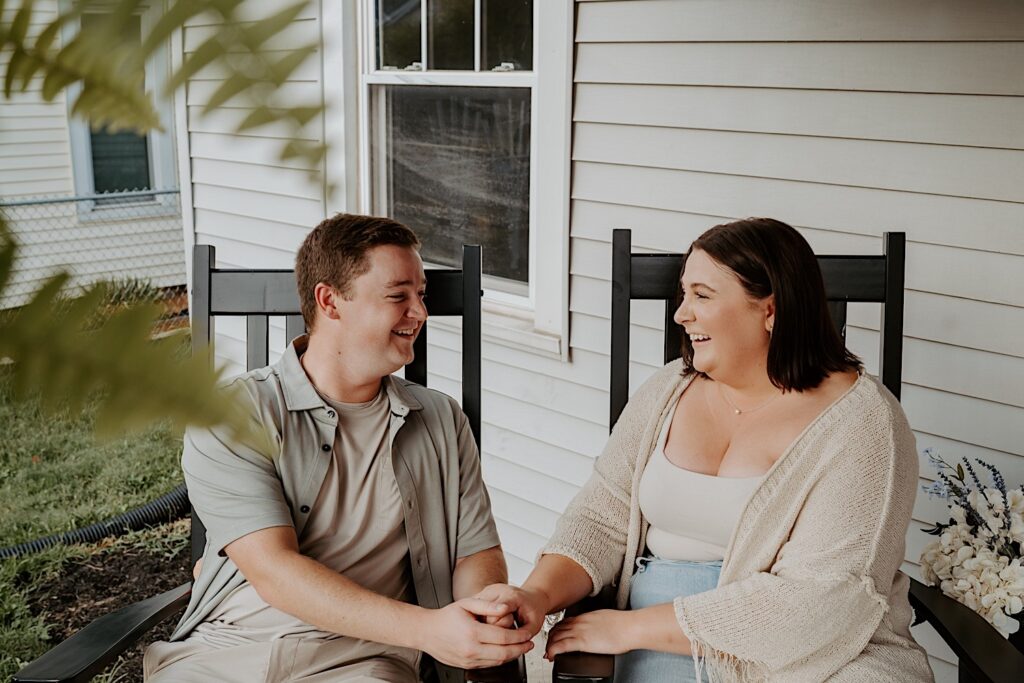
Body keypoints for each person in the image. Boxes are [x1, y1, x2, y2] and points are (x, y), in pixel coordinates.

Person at [479, 218, 934, 681]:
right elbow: (601, 517)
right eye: (683, 294)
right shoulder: (668, 390)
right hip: (651, 635)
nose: (681, 313)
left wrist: (632, 629)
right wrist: (537, 595)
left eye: (702, 295)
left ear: (770, 309)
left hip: (811, 657)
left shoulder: (864, 425)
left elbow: (820, 600)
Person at [144, 214, 532, 683]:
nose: (420, 313)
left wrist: (481, 615)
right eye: (398, 296)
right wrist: (430, 628)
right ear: (330, 301)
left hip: (361, 661)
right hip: (226, 652)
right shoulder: (235, 414)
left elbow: (475, 554)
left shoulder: (441, 421)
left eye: (422, 295)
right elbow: (275, 571)